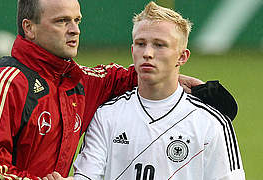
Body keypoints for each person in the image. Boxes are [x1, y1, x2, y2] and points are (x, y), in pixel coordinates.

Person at [0, 0, 237, 179]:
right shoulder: (4, 83)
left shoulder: (75, 83)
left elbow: (114, 78)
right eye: (62, 21)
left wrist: (172, 79)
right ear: (30, 28)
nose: (74, 29)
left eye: (77, 20)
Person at [72, 2, 245, 180]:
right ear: (132, 51)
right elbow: (85, 176)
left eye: (159, 45)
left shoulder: (212, 122)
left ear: (182, 56)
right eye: (140, 44)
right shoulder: (106, 115)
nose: (147, 53)